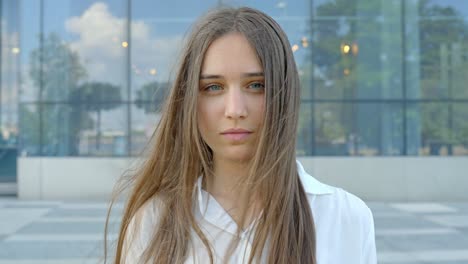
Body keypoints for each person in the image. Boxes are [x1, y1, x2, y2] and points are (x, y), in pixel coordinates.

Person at [105, 6, 376, 264]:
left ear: (285, 94)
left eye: (256, 85)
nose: (235, 110)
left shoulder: (346, 217)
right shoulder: (153, 221)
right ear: (189, 101)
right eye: (213, 87)